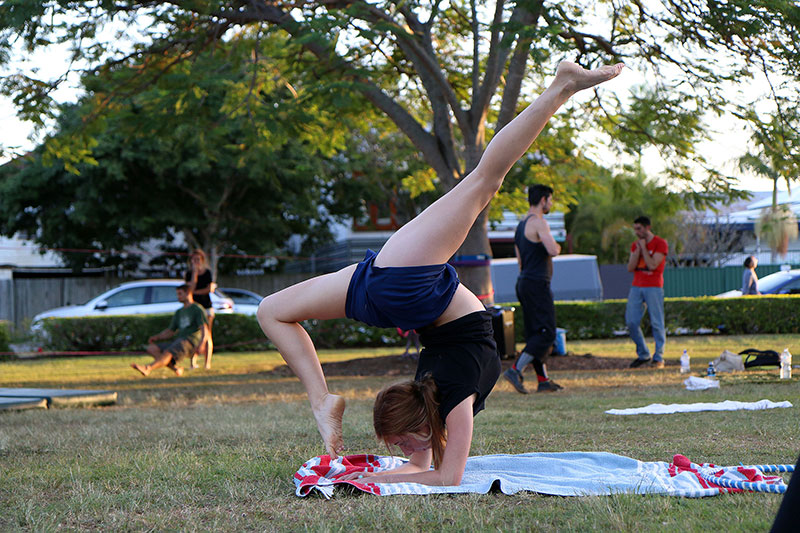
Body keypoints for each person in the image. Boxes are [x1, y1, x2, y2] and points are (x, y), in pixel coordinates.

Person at [257, 61, 625, 486]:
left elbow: (428, 471)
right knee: (484, 180)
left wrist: (366, 480)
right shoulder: (450, 405)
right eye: (402, 446)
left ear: (420, 423)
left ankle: (322, 400)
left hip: (404, 292)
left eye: (401, 443)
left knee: (272, 311)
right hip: (399, 294)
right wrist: (375, 478)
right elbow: (443, 475)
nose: (403, 453)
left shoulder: (436, 397)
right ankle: (561, 86)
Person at [503, 184, 563, 394]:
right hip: (537, 284)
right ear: (544, 199)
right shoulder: (539, 223)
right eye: (550, 200)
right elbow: (552, 250)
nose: (551, 204)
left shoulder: (520, 227)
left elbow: (520, 262)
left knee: (535, 333)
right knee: (547, 333)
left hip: (524, 282)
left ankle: (543, 380)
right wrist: (558, 247)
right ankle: (515, 370)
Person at [131, 284, 208, 377]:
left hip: (190, 341)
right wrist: (157, 337)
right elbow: (170, 331)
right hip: (179, 340)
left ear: (188, 293)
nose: (178, 297)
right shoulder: (179, 312)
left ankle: (148, 368)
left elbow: (204, 328)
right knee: (152, 348)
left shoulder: (197, 309)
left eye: (180, 294)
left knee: (168, 352)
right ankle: (176, 369)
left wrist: (202, 344)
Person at [626, 215, 668, 369]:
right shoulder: (634, 245)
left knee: (657, 322)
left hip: (654, 286)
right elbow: (630, 267)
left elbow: (652, 265)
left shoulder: (660, 243)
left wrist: (644, 248)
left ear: (647, 228)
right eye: (635, 229)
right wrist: (638, 250)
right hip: (637, 285)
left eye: (639, 229)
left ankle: (659, 357)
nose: (636, 232)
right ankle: (643, 354)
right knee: (631, 321)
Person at [185, 249, 215, 369]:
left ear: (202, 260)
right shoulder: (188, 274)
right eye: (193, 260)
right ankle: (193, 362)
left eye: (198, 259)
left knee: (207, 334)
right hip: (194, 307)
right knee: (193, 334)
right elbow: (189, 289)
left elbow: (209, 289)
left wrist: (195, 292)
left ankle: (207, 363)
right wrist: (194, 274)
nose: (195, 262)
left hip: (206, 307)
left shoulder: (207, 273)